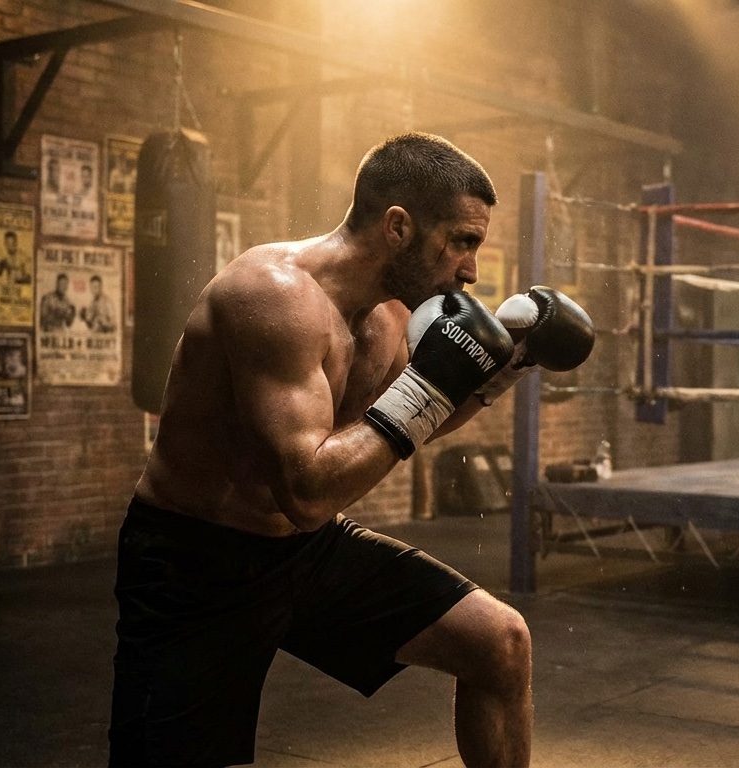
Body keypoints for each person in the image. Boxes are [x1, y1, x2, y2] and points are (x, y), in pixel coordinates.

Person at [109, 132, 594, 768]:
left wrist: (503, 371)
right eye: (462, 241)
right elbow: (307, 489)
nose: (471, 271)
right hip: (196, 562)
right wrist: (431, 384)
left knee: (499, 643)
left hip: (307, 550)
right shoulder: (274, 297)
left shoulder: (389, 315)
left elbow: (394, 424)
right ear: (398, 226)